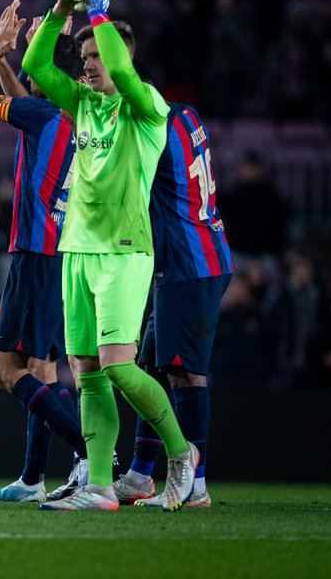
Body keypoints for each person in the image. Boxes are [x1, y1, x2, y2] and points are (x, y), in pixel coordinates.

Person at [21, 0, 199, 512]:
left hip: (125, 251)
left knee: (120, 366)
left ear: (121, 57)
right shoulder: (84, 105)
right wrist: (60, 10)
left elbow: (125, 75)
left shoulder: (148, 108)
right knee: (88, 375)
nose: (88, 65)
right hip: (75, 249)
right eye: (85, 57)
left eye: (96, 57)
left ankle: (181, 453)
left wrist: (100, 12)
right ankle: (99, 487)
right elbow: (35, 64)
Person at [0, 0, 89, 503]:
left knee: (7, 372)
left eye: (37, 58)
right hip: (61, 255)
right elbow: (21, 100)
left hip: (36, 254)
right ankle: (34, 479)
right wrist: (16, 59)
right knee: (43, 371)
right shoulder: (65, 114)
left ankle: (91, 454)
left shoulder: (41, 114)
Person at [111, 100, 234, 508]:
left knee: (184, 373)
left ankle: (195, 484)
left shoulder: (149, 128)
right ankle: (140, 474)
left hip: (188, 263)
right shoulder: (186, 115)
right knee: (149, 367)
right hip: (191, 257)